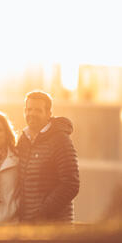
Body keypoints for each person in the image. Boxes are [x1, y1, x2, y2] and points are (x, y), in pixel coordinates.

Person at [16, 90, 79, 223]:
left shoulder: (60, 140)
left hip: (54, 229)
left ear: (49, 114)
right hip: (27, 227)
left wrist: (42, 214)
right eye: (29, 109)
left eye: (38, 110)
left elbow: (71, 184)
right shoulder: (22, 140)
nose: (32, 114)